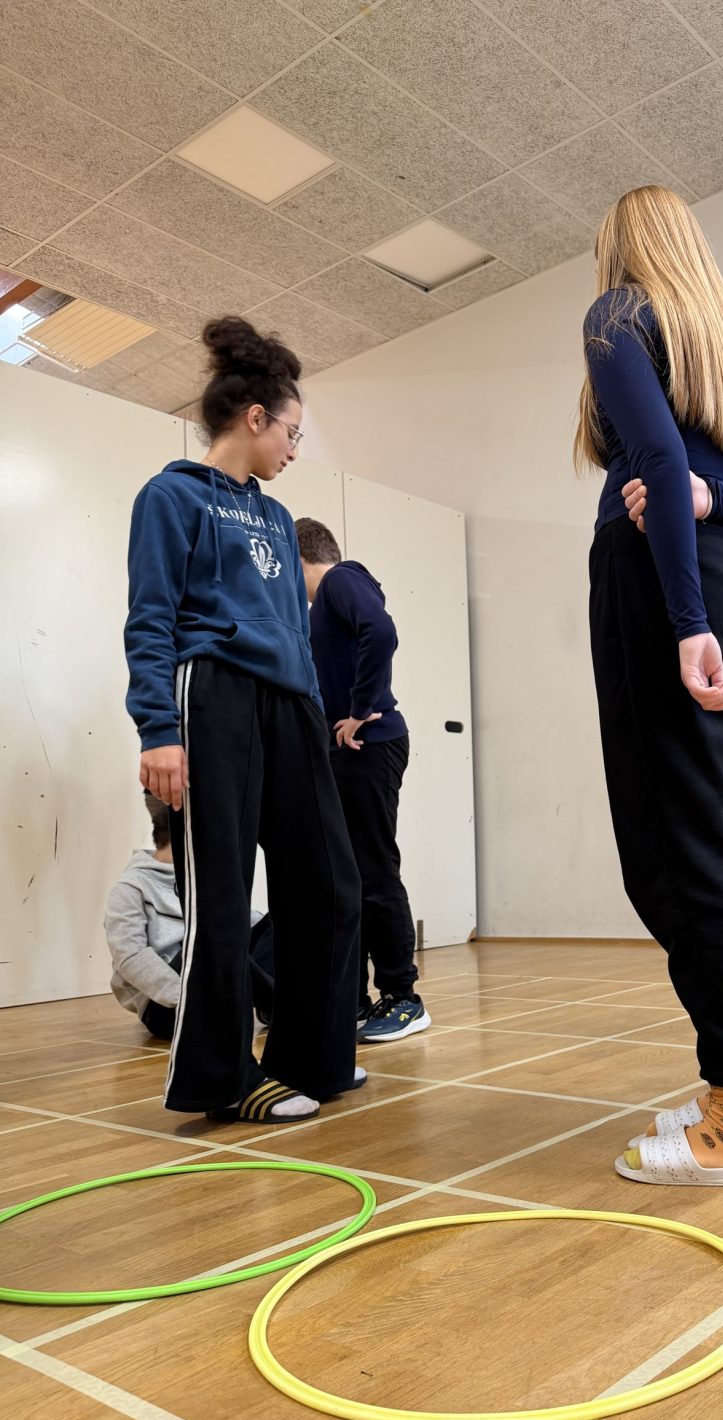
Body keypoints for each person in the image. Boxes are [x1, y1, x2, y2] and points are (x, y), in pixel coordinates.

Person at [576, 185, 723, 1188]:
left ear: (621, 248)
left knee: (680, 850)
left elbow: (660, 458)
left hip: (673, 586)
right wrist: (717, 499)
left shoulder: (618, 315)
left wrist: (683, 621)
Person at [124, 316, 363, 1123]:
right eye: (291, 432)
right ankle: (225, 1078)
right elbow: (151, 617)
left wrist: (314, 711)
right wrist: (158, 730)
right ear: (255, 417)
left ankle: (313, 1056)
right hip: (212, 695)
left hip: (290, 704)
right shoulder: (170, 496)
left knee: (329, 883)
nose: (295, 448)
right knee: (222, 895)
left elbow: (295, 627)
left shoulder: (275, 518)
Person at [295, 518, 429, 1043]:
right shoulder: (321, 607)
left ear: (300, 556)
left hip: (370, 744)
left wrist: (359, 708)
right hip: (348, 751)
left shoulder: (340, 579)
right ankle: (354, 1001)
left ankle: (404, 998)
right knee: (348, 877)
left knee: (373, 870)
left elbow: (382, 631)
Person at [104, 792, 275, 1041]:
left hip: (213, 987)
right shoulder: (131, 888)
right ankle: (280, 1003)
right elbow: (130, 957)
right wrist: (186, 998)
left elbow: (246, 926)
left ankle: (272, 1001)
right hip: (167, 1006)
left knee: (277, 921)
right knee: (207, 938)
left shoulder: (203, 878)